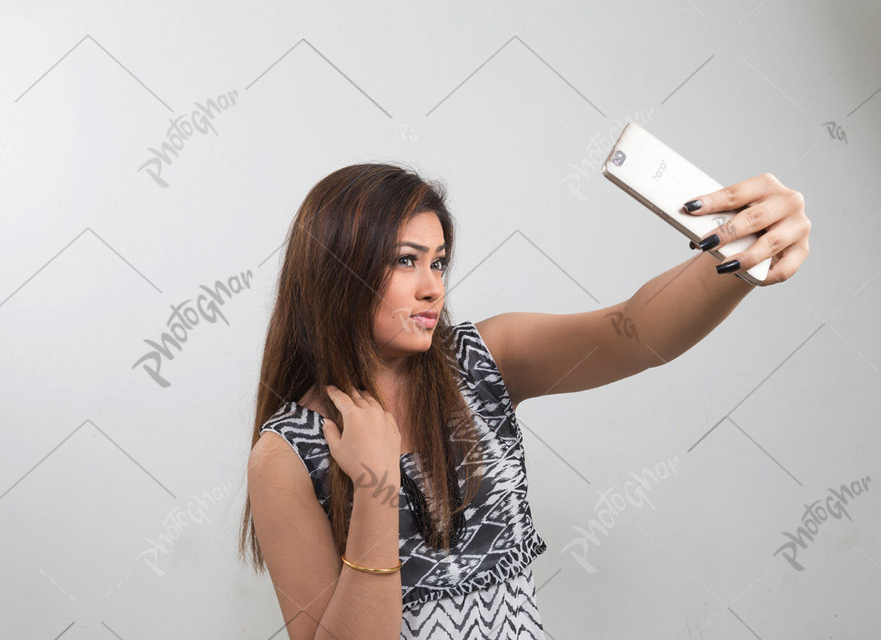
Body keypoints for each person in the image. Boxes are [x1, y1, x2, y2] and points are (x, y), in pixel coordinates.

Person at [238, 163, 810, 639]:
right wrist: (375, 487)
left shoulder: (484, 359)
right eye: (405, 260)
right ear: (337, 269)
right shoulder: (285, 456)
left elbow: (637, 330)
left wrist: (746, 249)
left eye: (438, 261)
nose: (433, 285)